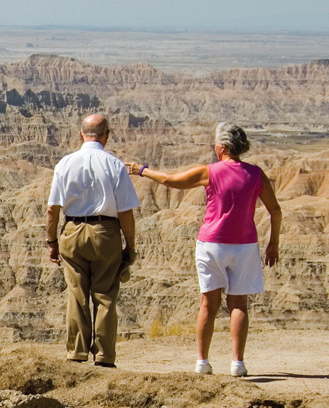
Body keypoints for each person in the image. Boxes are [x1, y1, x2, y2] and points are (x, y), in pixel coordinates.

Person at [126, 122, 281, 376]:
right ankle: (238, 364)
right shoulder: (256, 174)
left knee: (208, 303)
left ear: (221, 147)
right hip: (244, 246)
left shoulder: (210, 171)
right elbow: (275, 210)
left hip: (211, 244)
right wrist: (273, 242)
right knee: (239, 304)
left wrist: (141, 170)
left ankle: (202, 362)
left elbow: (169, 180)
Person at [46, 114, 139, 366]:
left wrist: (52, 241)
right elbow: (125, 212)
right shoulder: (115, 165)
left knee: (76, 295)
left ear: (80, 134)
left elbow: (53, 208)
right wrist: (130, 246)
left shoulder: (65, 164)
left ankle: (76, 352)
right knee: (105, 295)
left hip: (73, 231)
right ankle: (104, 356)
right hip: (105, 232)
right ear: (107, 135)